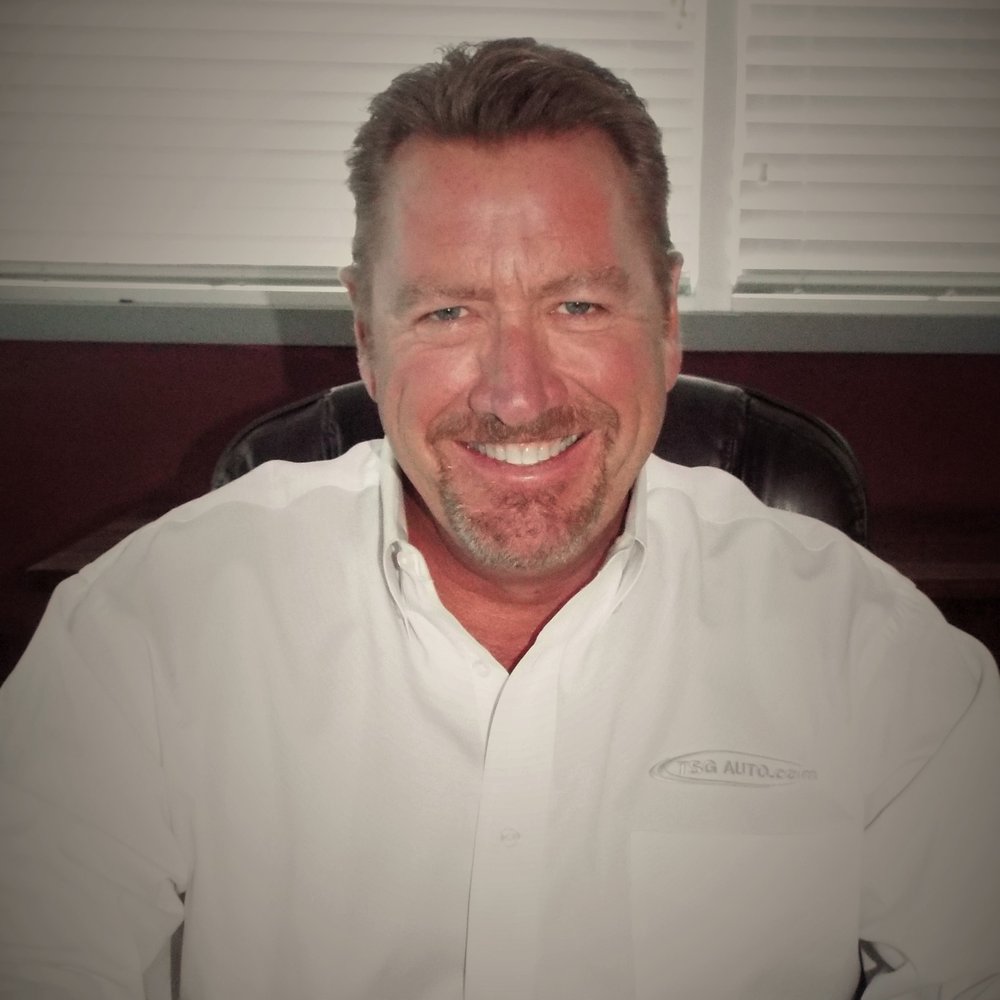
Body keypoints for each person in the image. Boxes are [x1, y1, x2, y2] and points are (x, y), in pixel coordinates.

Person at [1, 37, 998, 1000]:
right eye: (448, 312)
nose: (518, 396)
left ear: (667, 319)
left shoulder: (857, 646)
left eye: (578, 306)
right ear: (365, 337)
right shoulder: (153, 627)